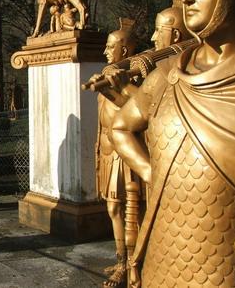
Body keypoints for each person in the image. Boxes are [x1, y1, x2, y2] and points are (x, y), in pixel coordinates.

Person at [111, 0, 235, 287]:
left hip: (223, 269)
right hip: (161, 258)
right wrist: (152, 172)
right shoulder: (167, 74)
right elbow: (121, 125)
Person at [90, 26, 139, 288]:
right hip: (108, 153)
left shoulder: (135, 76)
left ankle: (127, 263)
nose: (106, 51)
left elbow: (137, 110)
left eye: (111, 46)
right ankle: (122, 257)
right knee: (113, 208)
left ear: (125, 48)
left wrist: (119, 87)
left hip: (124, 155)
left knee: (121, 209)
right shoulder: (107, 74)